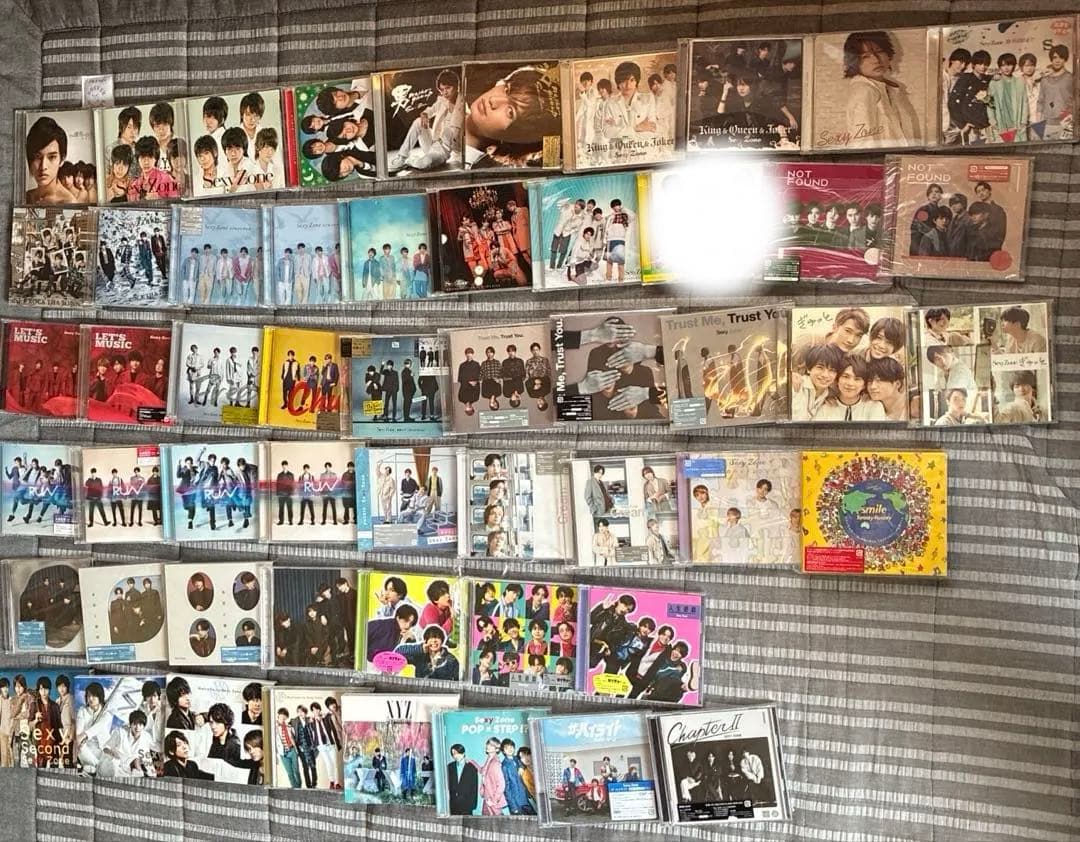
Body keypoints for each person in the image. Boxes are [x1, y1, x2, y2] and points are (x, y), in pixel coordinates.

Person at [841, 30, 917, 147]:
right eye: (866, 56)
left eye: (880, 52)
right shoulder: (864, 91)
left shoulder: (889, 89)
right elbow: (863, 142)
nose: (876, 60)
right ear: (854, 61)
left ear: (888, 54)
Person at [988, 53, 1028, 142]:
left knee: (1019, 146)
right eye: (1003, 65)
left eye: (1009, 65)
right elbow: (990, 104)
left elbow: (1025, 102)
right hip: (1001, 122)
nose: (1006, 68)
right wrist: (993, 121)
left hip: (1017, 121)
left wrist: (1023, 121)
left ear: (1014, 66)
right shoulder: (994, 83)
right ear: (1000, 67)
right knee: (1002, 148)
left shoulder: (1020, 82)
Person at [1038, 44, 1072, 140]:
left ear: (1065, 59)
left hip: (1066, 124)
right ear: (1051, 59)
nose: (1057, 60)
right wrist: (1039, 123)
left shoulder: (1071, 78)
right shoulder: (1044, 79)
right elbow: (1040, 101)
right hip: (1047, 123)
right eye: (1055, 57)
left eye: (1061, 57)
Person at [447, 743, 479, 814]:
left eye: (457, 753)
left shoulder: (472, 768)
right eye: (453, 754)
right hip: (453, 804)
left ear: (463, 753)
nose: (455, 756)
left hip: (467, 805)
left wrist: (472, 805)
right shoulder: (450, 767)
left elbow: (474, 788)